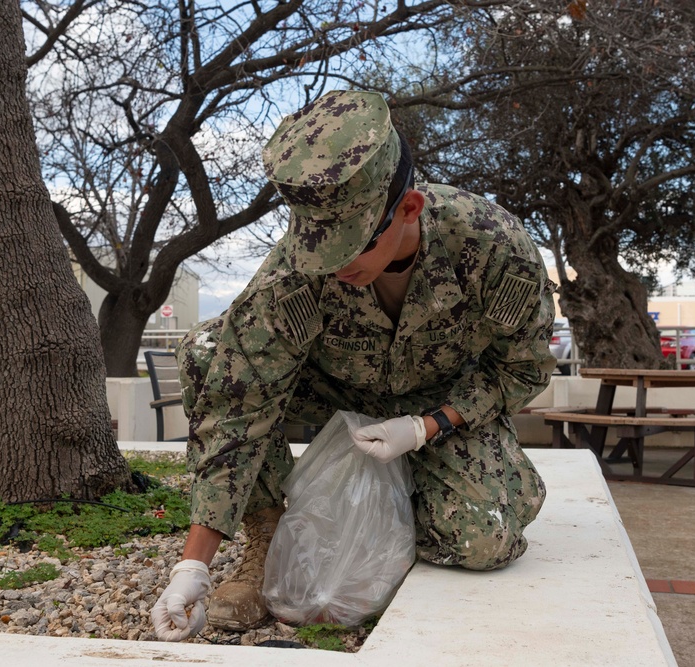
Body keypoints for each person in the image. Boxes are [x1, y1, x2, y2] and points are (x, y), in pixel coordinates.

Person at [151, 90, 557, 642]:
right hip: (336, 395)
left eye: (348, 245)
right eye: (316, 245)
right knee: (205, 354)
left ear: (408, 207)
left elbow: (523, 370)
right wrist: (191, 566)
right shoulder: (298, 271)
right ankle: (267, 542)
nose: (332, 265)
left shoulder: (492, 246)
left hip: (438, 407)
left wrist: (425, 427)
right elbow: (237, 406)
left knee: (481, 543)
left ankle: (413, 499)